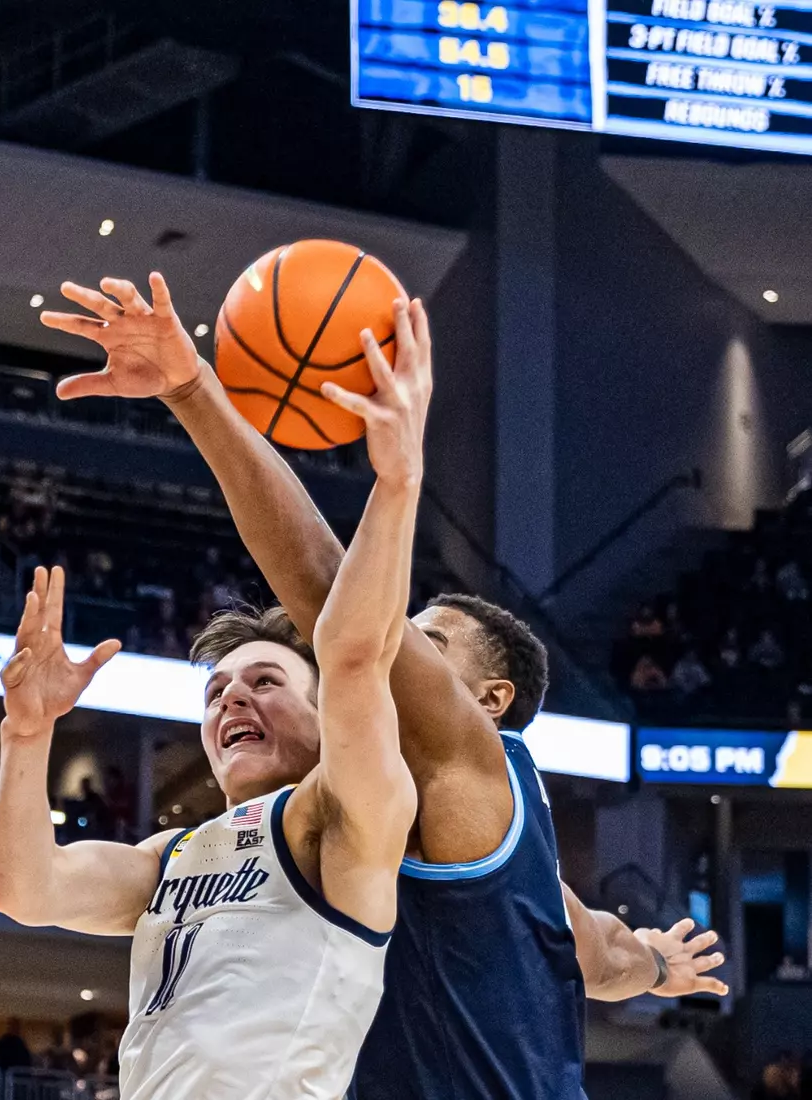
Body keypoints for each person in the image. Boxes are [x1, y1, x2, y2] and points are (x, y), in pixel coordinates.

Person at [40, 273, 726, 1100]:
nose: (387, 645)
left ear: (487, 699)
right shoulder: (505, 865)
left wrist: (194, 393)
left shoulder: (469, 771)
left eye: (427, 645)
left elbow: (333, 594)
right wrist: (658, 963)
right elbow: (604, 952)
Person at [0, 310, 433, 1098]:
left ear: (330, 717)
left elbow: (357, 654)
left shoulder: (344, 817)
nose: (233, 699)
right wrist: (28, 735)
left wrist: (397, 486)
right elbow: (27, 890)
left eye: (266, 682)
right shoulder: (174, 855)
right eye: (218, 690)